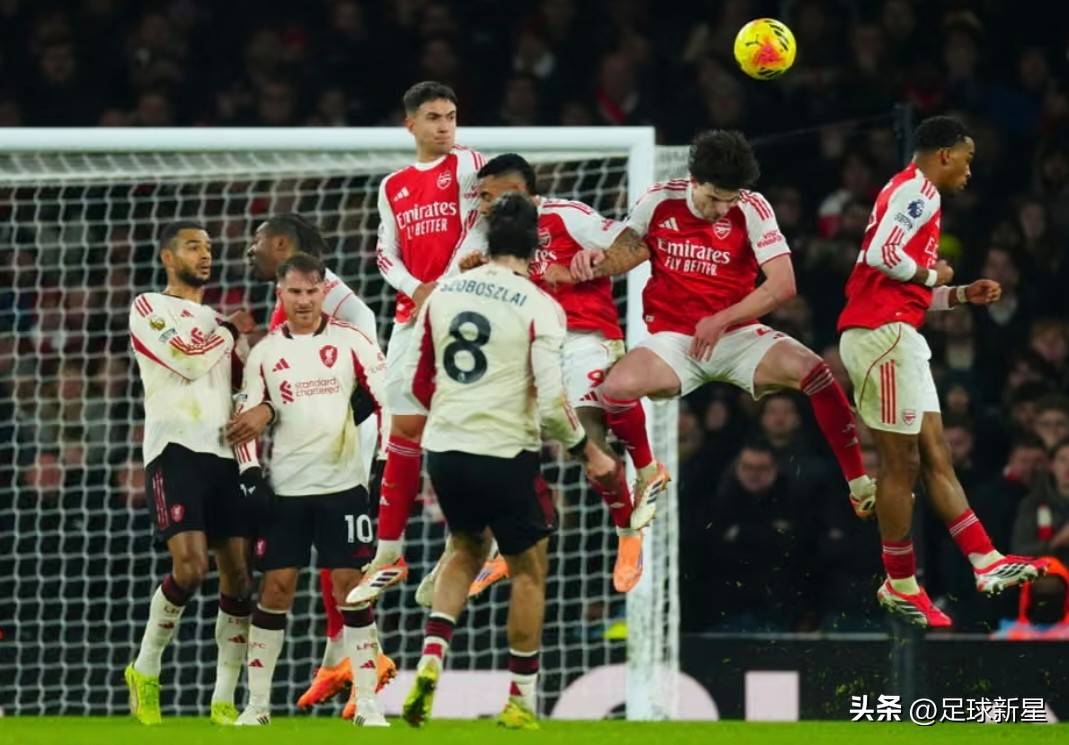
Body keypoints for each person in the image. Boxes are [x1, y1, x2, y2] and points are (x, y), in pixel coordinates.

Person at [571, 129, 877, 520]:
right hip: (674, 340)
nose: (720, 209)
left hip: (737, 335)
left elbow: (783, 285)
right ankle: (648, 472)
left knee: (816, 371)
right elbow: (626, 252)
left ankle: (858, 483)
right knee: (614, 390)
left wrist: (722, 319)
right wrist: (597, 259)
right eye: (714, 198)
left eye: (729, 200)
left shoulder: (752, 207)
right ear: (694, 181)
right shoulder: (658, 200)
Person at [393, 193, 615, 729]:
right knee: (528, 571)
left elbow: (418, 382)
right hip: (504, 451)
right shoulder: (540, 306)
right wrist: (589, 452)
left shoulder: (445, 292)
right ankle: (521, 698)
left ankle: (430, 659)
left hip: (446, 450)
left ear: (488, 241)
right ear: (537, 244)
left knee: (465, 549)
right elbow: (554, 404)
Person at [837, 115, 1048, 628]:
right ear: (945, 155)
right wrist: (934, 274)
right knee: (900, 464)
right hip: (882, 335)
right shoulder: (919, 191)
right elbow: (881, 255)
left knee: (935, 453)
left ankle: (985, 559)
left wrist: (958, 295)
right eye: (968, 160)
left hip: (896, 331)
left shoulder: (909, 192)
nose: (970, 172)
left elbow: (901, 283)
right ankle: (900, 581)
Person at [448, 152, 659, 593]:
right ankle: (505, 548)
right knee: (495, 447)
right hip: (525, 348)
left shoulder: (567, 215)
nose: (481, 206)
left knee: (590, 444)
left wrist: (594, 263)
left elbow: (637, 246)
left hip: (583, 339)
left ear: (518, 193)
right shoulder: (485, 235)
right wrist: (472, 276)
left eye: (488, 196)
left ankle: (628, 531)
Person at [224, 253, 390, 727]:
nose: (303, 300)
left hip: (343, 487)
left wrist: (383, 464)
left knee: (351, 591)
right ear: (280, 293)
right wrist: (250, 475)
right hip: (287, 491)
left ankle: (368, 704)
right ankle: (257, 706)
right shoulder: (265, 352)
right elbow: (245, 418)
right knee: (276, 589)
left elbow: (388, 401)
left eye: (311, 291)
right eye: (294, 292)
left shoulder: (352, 340)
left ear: (323, 292)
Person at [356, 80, 486, 601]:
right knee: (401, 431)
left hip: (461, 312)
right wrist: (417, 289)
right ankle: (389, 553)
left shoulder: (469, 164)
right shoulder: (393, 186)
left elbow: (477, 228)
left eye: (451, 116)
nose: (445, 126)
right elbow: (385, 254)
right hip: (411, 318)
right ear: (410, 124)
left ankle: (467, 548)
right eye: (434, 117)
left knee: (461, 431)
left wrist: (442, 287)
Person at [124, 221, 255, 726]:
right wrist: (231, 332)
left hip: (224, 455)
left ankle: (224, 698)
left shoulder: (221, 321)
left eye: (210, 248)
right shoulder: (148, 307)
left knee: (239, 579)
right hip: (174, 449)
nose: (205, 255)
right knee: (190, 567)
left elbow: (242, 390)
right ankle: (145, 667)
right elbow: (185, 359)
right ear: (167, 256)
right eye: (193, 246)